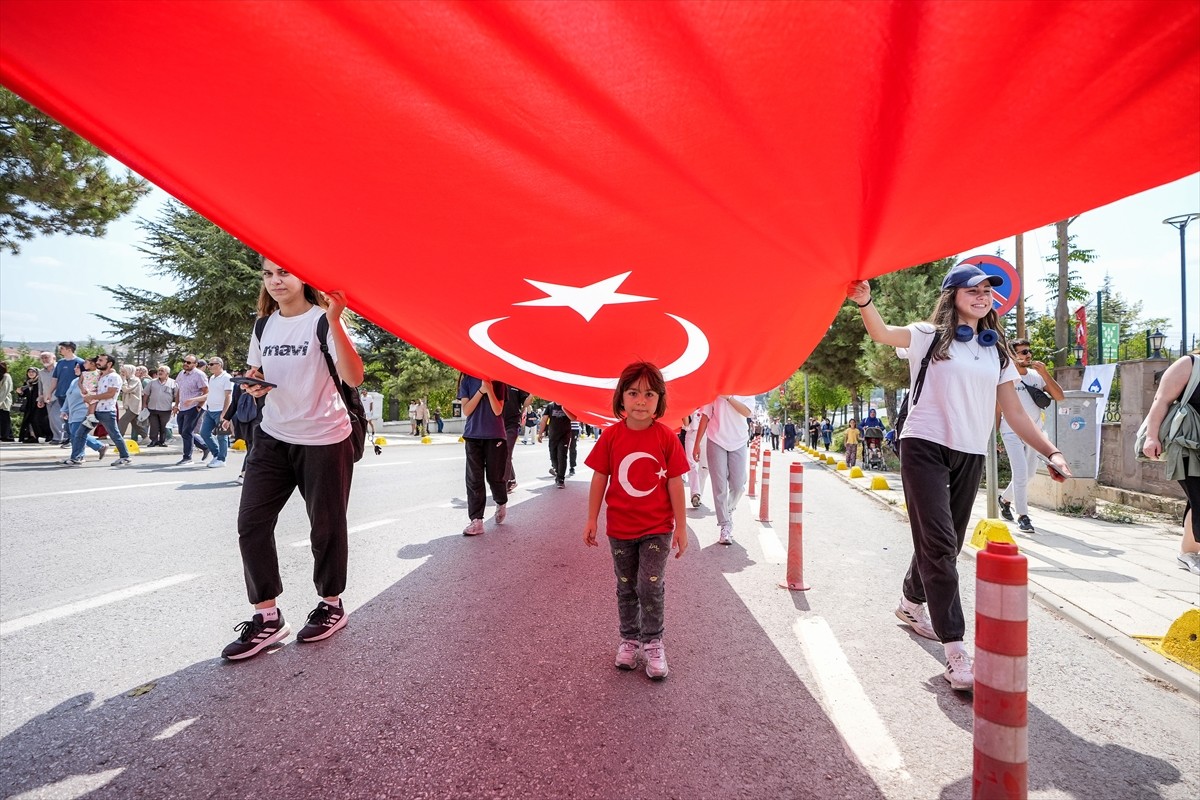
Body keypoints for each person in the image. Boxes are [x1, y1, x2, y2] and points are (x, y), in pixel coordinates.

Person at [848, 264, 1070, 692]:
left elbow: (1016, 412)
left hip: (970, 451)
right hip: (924, 444)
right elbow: (882, 334)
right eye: (975, 289)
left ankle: (911, 603)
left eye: (989, 290)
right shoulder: (928, 336)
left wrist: (1051, 451)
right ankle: (955, 651)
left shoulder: (997, 351)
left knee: (944, 541)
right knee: (940, 544)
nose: (984, 295)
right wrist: (865, 302)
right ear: (953, 295)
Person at [221, 258, 364, 661]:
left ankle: (331, 605)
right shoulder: (263, 325)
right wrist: (254, 386)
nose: (275, 281)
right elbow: (258, 368)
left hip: (324, 438)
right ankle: (267, 617)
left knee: (326, 527)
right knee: (251, 523)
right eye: (268, 274)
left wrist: (336, 321)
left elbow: (354, 378)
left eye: (283, 272)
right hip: (273, 435)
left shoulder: (322, 320)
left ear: (303, 277)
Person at [583, 361, 688, 680]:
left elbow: (675, 482)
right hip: (620, 529)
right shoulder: (611, 436)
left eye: (649, 394)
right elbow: (600, 477)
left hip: (657, 529)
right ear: (621, 398)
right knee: (626, 586)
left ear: (659, 401)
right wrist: (591, 518)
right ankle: (629, 640)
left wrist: (681, 527)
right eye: (633, 393)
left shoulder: (667, 437)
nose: (641, 400)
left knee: (649, 584)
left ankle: (654, 642)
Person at [1140, 351, 1200, 575]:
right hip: (1187, 445)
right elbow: (1161, 400)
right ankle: (1189, 554)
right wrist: (1151, 436)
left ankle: (1189, 553)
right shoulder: (1190, 364)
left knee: (1196, 500)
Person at [998, 339, 1065, 533]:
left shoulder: (1036, 376)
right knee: (1019, 473)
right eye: (1023, 352)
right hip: (1010, 430)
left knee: (1028, 474)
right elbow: (998, 407)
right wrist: (994, 436)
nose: (1028, 356)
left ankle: (1004, 500)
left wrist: (1045, 373)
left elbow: (1059, 397)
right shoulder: (1005, 376)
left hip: (1034, 432)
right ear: (1012, 355)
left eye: (1029, 352)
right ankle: (1023, 516)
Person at [694, 394, 753, 545]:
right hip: (716, 440)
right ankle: (725, 525)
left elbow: (747, 412)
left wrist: (728, 397)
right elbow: (706, 416)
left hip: (738, 440)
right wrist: (697, 444)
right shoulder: (715, 390)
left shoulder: (747, 387)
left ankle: (728, 510)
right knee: (719, 486)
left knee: (738, 485)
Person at [457, 373, 508, 535]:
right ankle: (476, 520)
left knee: (495, 476)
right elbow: (466, 410)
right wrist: (481, 391)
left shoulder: (499, 381)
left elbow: (498, 410)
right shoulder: (467, 380)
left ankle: (501, 502)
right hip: (473, 436)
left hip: (495, 436)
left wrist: (489, 389)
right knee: (474, 479)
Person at [82, 353, 134, 466]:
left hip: (106, 411)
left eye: (101, 360)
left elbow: (110, 394)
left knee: (114, 435)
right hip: (95, 410)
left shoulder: (114, 377)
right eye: (98, 360)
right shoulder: (100, 376)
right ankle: (78, 456)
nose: (98, 362)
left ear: (109, 364)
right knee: (80, 433)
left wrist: (92, 397)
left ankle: (125, 456)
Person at [60, 360, 107, 465]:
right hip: (72, 412)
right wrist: (64, 410)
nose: (75, 369)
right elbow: (68, 396)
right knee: (74, 435)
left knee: (78, 434)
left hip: (83, 411)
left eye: (77, 367)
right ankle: (99, 447)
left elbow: (92, 394)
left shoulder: (90, 380)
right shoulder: (74, 381)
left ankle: (78, 456)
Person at [198, 356, 233, 468]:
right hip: (210, 410)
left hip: (220, 411)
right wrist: (195, 400)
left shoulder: (227, 377)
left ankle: (222, 459)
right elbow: (211, 394)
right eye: (209, 364)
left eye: (212, 364)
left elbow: (228, 395)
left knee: (222, 436)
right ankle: (217, 455)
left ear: (219, 365)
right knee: (204, 433)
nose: (209, 366)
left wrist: (225, 413)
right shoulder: (212, 378)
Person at [174, 354, 209, 465]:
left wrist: (199, 406)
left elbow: (206, 392)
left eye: (189, 362)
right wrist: (176, 404)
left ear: (195, 364)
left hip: (194, 407)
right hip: (183, 407)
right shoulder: (181, 374)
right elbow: (180, 390)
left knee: (187, 431)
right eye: (184, 361)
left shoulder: (199, 375)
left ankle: (187, 457)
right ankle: (205, 447)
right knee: (182, 431)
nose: (185, 364)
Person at [47, 342, 84, 445]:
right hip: (61, 394)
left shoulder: (80, 362)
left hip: (74, 396)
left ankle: (74, 438)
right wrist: (49, 392)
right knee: (65, 417)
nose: (60, 350)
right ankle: (69, 437)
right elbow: (55, 379)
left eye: (62, 348)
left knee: (73, 418)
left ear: (69, 350)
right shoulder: (60, 363)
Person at [538, 401, 575, 488]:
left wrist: (564, 408)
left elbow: (573, 418)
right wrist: (540, 433)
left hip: (564, 436)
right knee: (553, 457)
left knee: (562, 456)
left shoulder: (567, 405)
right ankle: (558, 472)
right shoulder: (550, 406)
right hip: (553, 436)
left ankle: (561, 479)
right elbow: (544, 420)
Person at [501, 384, 530, 492]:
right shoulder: (497, 380)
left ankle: (502, 487)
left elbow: (525, 403)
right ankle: (511, 479)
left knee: (506, 452)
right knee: (501, 453)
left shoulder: (517, 382)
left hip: (512, 424)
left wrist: (531, 394)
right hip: (497, 423)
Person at [143, 366, 177, 447]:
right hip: (153, 408)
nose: (160, 372)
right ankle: (153, 441)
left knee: (164, 426)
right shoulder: (152, 382)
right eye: (159, 371)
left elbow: (177, 395)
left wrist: (176, 405)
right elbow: (146, 394)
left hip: (166, 409)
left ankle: (162, 441)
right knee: (154, 426)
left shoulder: (173, 383)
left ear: (167, 373)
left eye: (162, 371)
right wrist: (144, 404)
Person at [17, 367, 50, 443]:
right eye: (29, 372)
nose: (31, 373)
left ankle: (48, 435)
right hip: (30, 405)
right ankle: (33, 436)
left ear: (37, 373)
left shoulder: (39, 382)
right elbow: (24, 394)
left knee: (39, 421)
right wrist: (20, 392)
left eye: (33, 372)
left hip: (39, 404)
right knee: (29, 421)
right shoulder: (27, 383)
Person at [683, 410, 708, 508]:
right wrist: (683, 411)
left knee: (704, 468)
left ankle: (698, 494)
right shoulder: (689, 401)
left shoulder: (708, 400)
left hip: (706, 435)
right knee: (691, 464)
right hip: (691, 433)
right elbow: (686, 423)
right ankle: (695, 494)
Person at [117, 364, 146, 442]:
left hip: (134, 405)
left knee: (123, 421)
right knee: (135, 423)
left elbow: (126, 389)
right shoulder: (128, 379)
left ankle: (118, 439)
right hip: (128, 404)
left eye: (124, 371)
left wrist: (123, 380)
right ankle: (146, 437)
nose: (122, 373)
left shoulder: (135, 380)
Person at [0, 362, 12, 441]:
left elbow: (5, 390)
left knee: (4, 418)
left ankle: (7, 436)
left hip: (4, 401)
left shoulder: (6, 376)